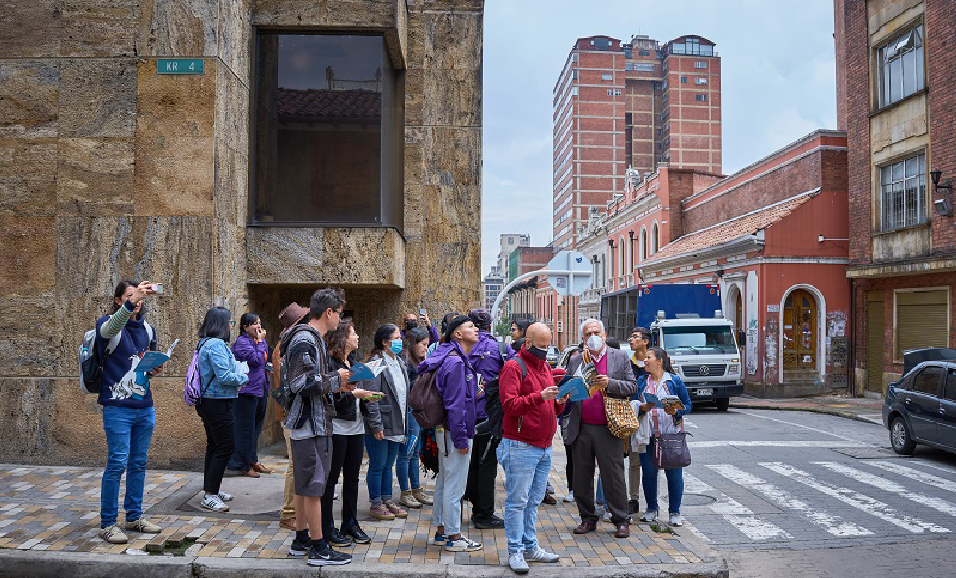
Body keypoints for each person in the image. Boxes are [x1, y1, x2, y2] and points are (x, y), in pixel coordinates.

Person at [281, 288, 354, 566]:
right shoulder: (306, 339)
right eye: (339, 313)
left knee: (305, 486)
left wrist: (338, 383)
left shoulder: (310, 338)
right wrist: (337, 378)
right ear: (329, 312)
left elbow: (310, 380)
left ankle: (301, 540)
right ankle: (318, 548)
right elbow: (301, 383)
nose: (340, 320)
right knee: (313, 487)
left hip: (311, 421)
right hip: (309, 423)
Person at [96, 280, 164, 544]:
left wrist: (155, 369)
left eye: (140, 296)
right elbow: (112, 327)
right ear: (118, 300)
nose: (138, 300)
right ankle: (108, 523)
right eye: (130, 295)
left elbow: (144, 366)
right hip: (117, 407)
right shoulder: (108, 324)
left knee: (138, 463)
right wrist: (130, 302)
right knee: (116, 464)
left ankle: (134, 516)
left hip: (143, 405)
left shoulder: (147, 328)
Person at [497, 323, 568, 574]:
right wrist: (541, 397)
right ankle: (515, 550)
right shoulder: (514, 367)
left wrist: (558, 402)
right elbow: (510, 405)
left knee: (534, 500)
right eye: (541, 346)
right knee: (518, 501)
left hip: (544, 444)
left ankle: (529, 546)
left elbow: (549, 407)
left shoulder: (545, 367)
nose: (545, 351)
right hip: (520, 444)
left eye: (548, 347)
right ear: (527, 343)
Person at [565, 319, 638, 539]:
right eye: (588, 334)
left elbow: (632, 386)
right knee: (581, 477)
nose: (593, 336)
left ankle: (620, 519)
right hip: (582, 426)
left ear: (604, 335)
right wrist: (565, 395)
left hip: (609, 426)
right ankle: (587, 518)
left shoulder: (620, 357)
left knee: (613, 475)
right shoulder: (576, 360)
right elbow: (570, 387)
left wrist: (610, 383)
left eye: (596, 332)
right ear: (583, 338)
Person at [418, 315, 482, 552]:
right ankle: (454, 537)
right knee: (455, 486)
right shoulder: (455, 362)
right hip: (455, 432)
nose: (475, 329)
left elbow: (457, 399)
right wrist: (461, 438)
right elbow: (454, 406)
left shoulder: (453, 358)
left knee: (446, 483)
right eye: (470, 326)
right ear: (457, 334)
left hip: (447, 431)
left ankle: (442, 532)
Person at [324, 319, 375, 546]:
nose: (357, 337)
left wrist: (365, 398)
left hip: (356, 426)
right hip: (337, 426)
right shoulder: (330, 364)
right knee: (331, 478)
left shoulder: (354, 361)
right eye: (353, 333)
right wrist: (354, 395)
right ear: (342, 338)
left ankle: (350, 522)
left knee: (353, 477)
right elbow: (330, 395)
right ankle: (327, 526)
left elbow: (356, 390)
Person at [195, 307, 249, 513]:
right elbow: (225, 376)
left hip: (211, 401)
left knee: (214, 446)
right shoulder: (216, 345)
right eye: (229, 322)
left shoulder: (205, 343)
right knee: (226, 446)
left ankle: (212, 489)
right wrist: (243, 378)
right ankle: (210, 495)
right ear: (220, 323)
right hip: (217, 401)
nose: (230, 326)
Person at [637, 347, 692, 527]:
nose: (645, 360)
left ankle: (675, 512)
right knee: (649, 474)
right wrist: (641, 407)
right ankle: (651, 509)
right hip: (649, 435)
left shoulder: (674, 381)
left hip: (671, 436)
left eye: (649, 357)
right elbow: (635, 402)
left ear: (659, 362)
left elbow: (688, 405)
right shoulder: (642, 381)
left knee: (674, 475)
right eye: (645, 357)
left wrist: (677, 411)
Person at [362, 324, 410, 521]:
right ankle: (376, 502)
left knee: (389, 464)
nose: (399, 341)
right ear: (384, 341)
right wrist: (376, 425)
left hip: (397, 421)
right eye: (396, 337)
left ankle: (387, 499)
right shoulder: (374, 364)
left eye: (400, 337)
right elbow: (370, 398)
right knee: (377, 464)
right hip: (381, 422)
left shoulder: (399, 362)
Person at [465, 308, 506, 530]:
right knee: (487, 465)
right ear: (489, 326)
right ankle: (483, 514)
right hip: (490, 416)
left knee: (470, 463)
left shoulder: (461, 346)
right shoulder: (499, 348)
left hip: (464, 414)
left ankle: (474, 503)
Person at [274, 302, 310, 531]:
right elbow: (283, 385)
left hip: (292, 411)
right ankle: (288, 512)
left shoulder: (290, 344)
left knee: (299, 463)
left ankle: (297, 508)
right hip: (289, 412)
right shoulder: (284, 348)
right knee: (295, 463)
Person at [228, 312, 272, 478]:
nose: (258, 326)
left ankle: (253, 460)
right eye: (254, 323)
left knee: (255, 429)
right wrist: (261, 343)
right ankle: (243, 465)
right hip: (246, 392)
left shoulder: (258, 341)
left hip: (260, 389)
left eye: (259, 322)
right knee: (245, 430)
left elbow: (264, 360)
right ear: (245, 327)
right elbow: (256, 360)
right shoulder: (242, 342)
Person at [397, 328, 432, 509]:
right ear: (413, 343)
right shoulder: (406, 363)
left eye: (427, 345)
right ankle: (405, 492)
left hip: (418, 412)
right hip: (409, 412)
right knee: (406, 452)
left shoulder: (419, 362)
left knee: (414, 453)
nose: (425, 348)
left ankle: (416, 488)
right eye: (423, 344)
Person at [626, 327, 651, 515]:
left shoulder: (657, 361)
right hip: (634, 418)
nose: (631, 340)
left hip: (653, 420)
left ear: (646, 341)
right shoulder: (629, 364)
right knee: (634, 460)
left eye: (635, 337)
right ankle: (633, 499)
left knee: (652, 463)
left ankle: (653, 502)